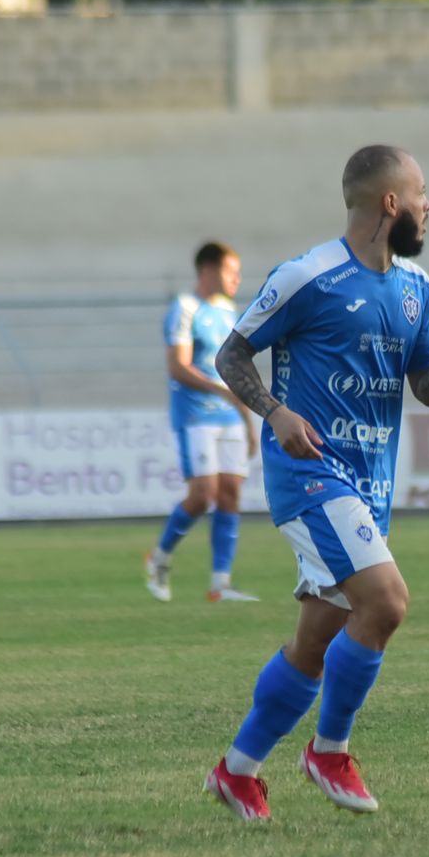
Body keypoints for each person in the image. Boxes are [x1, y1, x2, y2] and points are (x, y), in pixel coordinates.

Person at [201, 145, 429, 822]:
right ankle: (329, 751)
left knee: (315, 640)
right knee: (385, 603)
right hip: (310, 475)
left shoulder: (417, 287)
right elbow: (231, 352)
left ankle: (237, 771)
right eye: (420, 193)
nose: (428, 205)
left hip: (368, 483)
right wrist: (276, 412)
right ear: (390, 203)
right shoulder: (309, 276)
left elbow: (427, 387)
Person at [145, 241, 261, 603]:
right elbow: (177, 367)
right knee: (203, 494)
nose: (237, 279)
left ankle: (220, 584)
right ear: (209, 271)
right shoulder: (185, 308)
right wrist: (221, 391)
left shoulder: (229, 311)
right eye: (231, 271)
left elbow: (236, 369)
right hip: (195, 415)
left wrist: (247, 417)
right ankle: (159, 558)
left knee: (230, 493)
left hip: (229, 414)